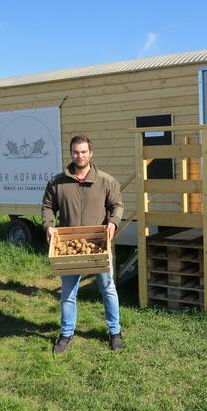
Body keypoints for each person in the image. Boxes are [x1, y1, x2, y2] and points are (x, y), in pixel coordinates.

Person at [41, 135, 124, 353]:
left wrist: (113, 223)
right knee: (68, 292)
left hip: (98, 244)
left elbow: (117, 206)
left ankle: (115, 331)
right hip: (69, 246)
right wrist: (48, 226)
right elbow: (48, 206)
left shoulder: (106, 181)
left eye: (84, 152)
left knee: (108, 288)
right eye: (76, 152)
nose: (80, 156)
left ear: (91, 153)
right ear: (71, 153)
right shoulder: (57, 182)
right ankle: (66, 333)